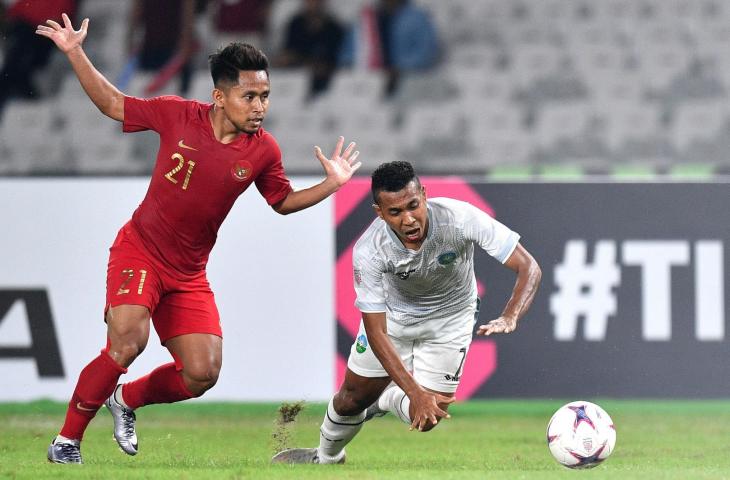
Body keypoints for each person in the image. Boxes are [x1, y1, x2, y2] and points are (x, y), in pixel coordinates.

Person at [36, 13, 361, 465]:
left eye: (265, 96)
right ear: (219, 96)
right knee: (128, 342)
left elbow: (282, 202)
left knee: (202, 373)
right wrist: (75, 52)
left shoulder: (263, 150)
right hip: (140, 249)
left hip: (188, 272)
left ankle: (125, 400)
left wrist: (332, 184)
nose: (260, 106)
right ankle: (66, 442)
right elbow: (114, 104)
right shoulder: (177, 115)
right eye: (249, 96)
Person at [272, 161, 541, 464]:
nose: (409, 219)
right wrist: (413, 391)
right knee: (350, 401)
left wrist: (510, 315)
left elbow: (528, 267)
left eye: (413, 205)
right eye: (395, 212)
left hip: (451, 319)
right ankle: (326, 458)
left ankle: (384, 398)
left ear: (424, 195)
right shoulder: (369, 251)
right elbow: (376, 331)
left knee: (429, 416)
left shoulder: (460, 218)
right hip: (395, 320)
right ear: (379, 212)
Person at [339, 0, 439, 97]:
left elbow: (426, 52)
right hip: (368, 83)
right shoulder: (367, 19)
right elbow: (349, 50)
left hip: (409, 82)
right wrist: (349, 65)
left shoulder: (418, 18)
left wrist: (400, 68)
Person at [0, 0, 78, 120]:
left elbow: (60, 15)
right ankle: (23, 91)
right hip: (27, 26)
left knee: (16, 66)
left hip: (40, 31)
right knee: (15, 65)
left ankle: (24, 91)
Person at [274, 0, 345, 98]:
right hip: (295, 76)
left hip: (325, 81)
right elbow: (287, 53)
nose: (313, 4)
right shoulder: (296, 23)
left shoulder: (334, 28)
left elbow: (335, 60)